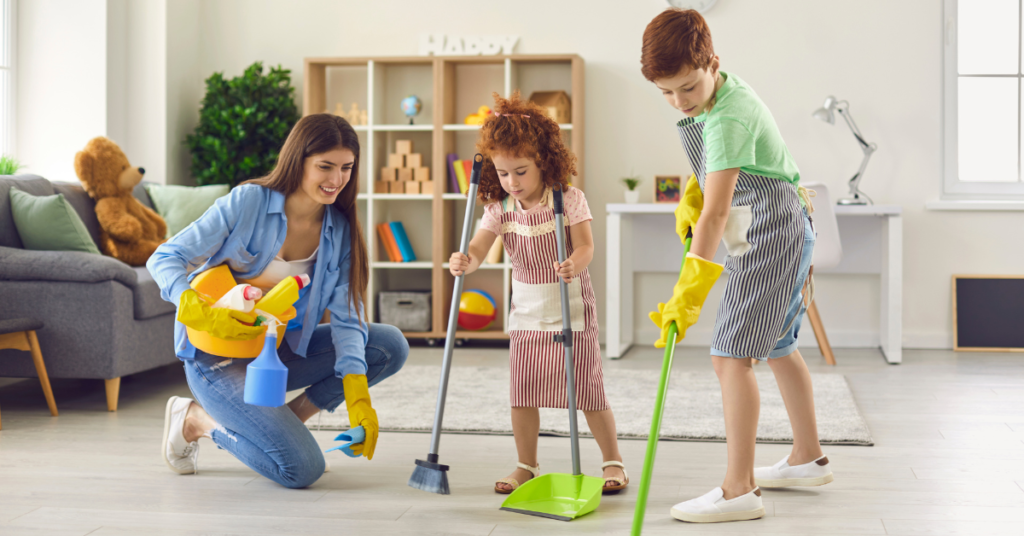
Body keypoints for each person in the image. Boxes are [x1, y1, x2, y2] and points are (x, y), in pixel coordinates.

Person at [641, 9, 832, 523]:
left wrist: (690, 290)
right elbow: (723, 172)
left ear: (712, 63)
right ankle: (807, 457)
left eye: (686, 88)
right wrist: (694, 187)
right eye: (666, 92)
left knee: (730, 357)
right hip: (777, 225)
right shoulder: (720, 91)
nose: (679, 102)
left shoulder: (727, 115)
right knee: (777, 345)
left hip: (771, 232)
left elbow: (718, 212)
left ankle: (738, 490)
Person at [148, 114, 409, 488]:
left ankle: (283, 424)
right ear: (297, 160)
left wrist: (357, 397)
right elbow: (165, 257)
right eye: (325, 166)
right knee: (301, 470)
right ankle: (197, 421)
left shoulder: (339, 230)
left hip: (276, 353)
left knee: (388, 345)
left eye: (347, 168)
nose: (336, 180)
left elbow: (349, 318)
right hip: (218, 358)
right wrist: (193, 306)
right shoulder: (249, 202)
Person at [448, 92, 628, 494]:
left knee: (587, 388)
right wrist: (466, 261)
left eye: (521, 172)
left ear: (544, 162)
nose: (512, 182)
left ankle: (612, 461)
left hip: (571, 308)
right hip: (527, 310)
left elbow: (586, 247)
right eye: (504, 173)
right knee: (523, 389)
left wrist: (575, 264)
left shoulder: (568, 199)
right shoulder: (500, 209)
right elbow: (478, 247)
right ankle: (526, 464)